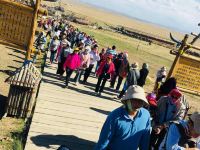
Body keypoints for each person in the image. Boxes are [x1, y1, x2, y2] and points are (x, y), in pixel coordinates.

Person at [95, 85, 151, 150]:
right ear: (127, 101)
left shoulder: (146, 115)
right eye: (134, 100)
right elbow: (103, 141)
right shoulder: (114, 116)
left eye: (141, 101)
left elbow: (145, 140)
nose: (138, 104)